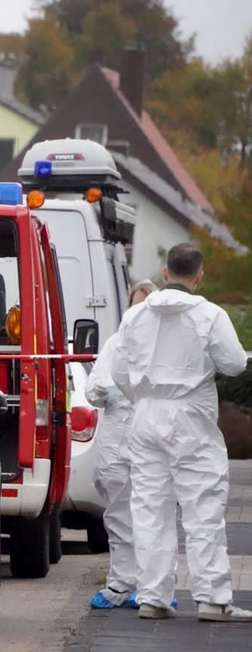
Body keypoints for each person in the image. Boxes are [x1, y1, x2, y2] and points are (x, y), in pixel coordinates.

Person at [112, 244, 251, 621]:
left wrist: (143, 397)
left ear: (165, 272)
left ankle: (153, 597)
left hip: (146, 415)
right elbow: (236, 364)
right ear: (199, 275)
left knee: (150, 508)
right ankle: (212, 599)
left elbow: (119, 371)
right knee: (203, 506)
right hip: (190, 416)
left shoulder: (135, 316)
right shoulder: (209, 315)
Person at [86, 279, 159, 609]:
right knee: (118, 518)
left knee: (152, 519)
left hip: (153, 443)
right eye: (136, 304)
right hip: (117, 444)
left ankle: (151, 588)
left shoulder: (166, 347)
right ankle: (119, 585)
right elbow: (93, 389)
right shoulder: (117, 344)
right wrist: (113, 391)